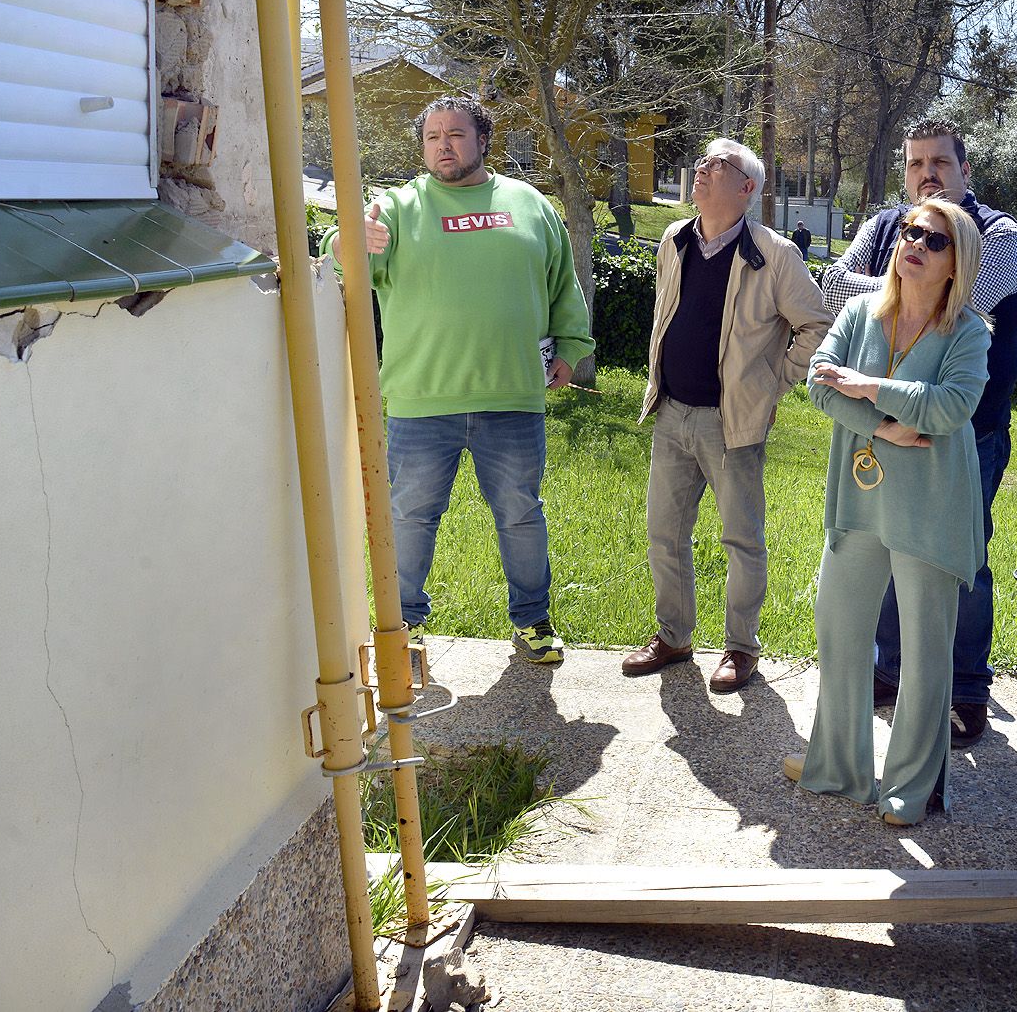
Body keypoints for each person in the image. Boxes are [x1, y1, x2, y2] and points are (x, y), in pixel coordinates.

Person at [327, 94, 594, 664]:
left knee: (521, 514)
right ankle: (402, 630)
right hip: (421, 400)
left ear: (482, 141)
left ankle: (533, 621)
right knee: (410, 516)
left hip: (513, 395)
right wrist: (351, 239)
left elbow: (562, 286)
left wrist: (572, 347)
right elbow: (342, 260)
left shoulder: (529, 205)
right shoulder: (397, 208)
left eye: (455, 134)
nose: (442, 145)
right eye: (431, 137)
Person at [821, 119, 1017, 748]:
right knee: (884, 545)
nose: (926, 174)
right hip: (880, 433)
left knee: (957, 560)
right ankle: (891, 672)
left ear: (967, 170)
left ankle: (964, 688)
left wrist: (900, 285)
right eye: (915, 164)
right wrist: (913, 279)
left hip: (964, 435)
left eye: (939, 161)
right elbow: (832, 289)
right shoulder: (887, 226)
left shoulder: (1000, 234)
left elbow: (972, 299)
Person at [786, 197, 991, 826]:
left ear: (957, 261)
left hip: (930, 510)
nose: (913, 245)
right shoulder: (858, 311)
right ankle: (838, 764)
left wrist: (870, 387)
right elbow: (821, 382)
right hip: (859, 501)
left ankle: (910, 784)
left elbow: (952, 407)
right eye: (908, 232)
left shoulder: (969, 332)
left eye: (932, 240)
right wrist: (884, 426)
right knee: (839, 630)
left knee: (927, 650)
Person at [625, 139, 830, 692]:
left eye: (717, 165)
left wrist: (771, 384)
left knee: (742, 540)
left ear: (747, 188)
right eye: (702, 162)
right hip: (670, 413)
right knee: (664, 535)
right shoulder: (675, 239)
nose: (701, 169)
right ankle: (674, 637)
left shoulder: (775, 253)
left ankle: (741, 648)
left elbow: (817, 326)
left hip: (731, 423)